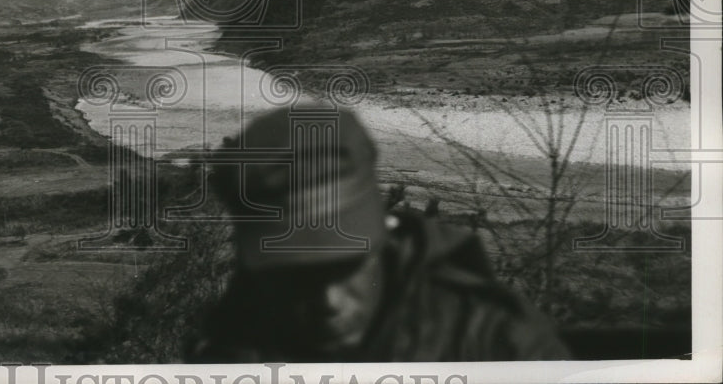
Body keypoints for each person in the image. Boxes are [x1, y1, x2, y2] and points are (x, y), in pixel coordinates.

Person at [188, 102, 570, 362]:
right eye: (298, 275)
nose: (329, 300)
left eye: (345, 267)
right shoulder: (233, 347)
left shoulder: (492, 338)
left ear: (381, 239)